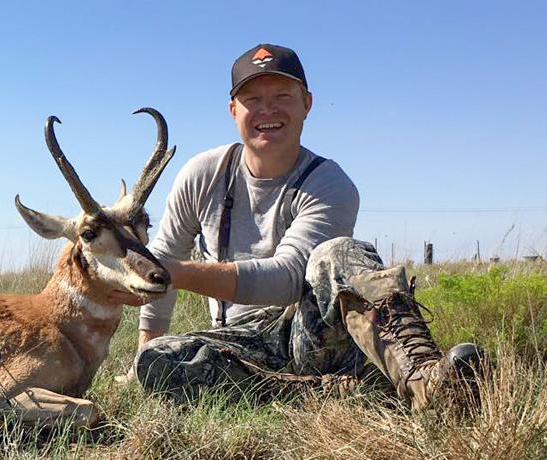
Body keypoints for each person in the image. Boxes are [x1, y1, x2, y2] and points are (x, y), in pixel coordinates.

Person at [108, 44, 482, 410]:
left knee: (339, 253)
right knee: (154, 362)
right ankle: (323, 391)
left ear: (307, 103)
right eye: (252, 99)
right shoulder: (201, 174)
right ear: (233, 110)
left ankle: (423, 382)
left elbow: (286, 279)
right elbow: (166, 256)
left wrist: (171, 273)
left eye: (283, 96)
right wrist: (144, 344)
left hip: (312, 330)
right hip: (238, 339)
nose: (267, 111)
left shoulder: (331, 184)